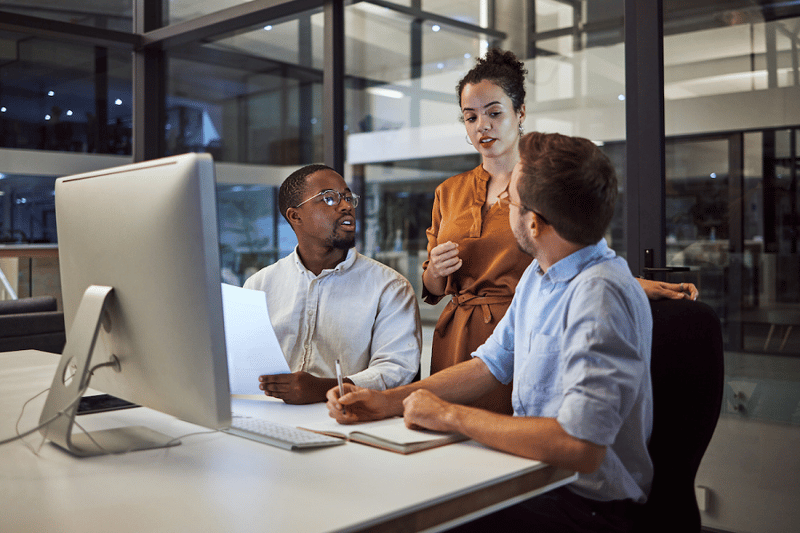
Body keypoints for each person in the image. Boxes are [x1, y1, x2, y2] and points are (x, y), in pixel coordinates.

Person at [328, 132, 653, 532]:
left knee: (413, 516)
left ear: (533, 223)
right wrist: (389, 400)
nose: (503, 205)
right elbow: (490, 364)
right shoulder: (540, 274)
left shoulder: (598, 295)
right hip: (538, 482)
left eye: (510, 203)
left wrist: (448, 415)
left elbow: (580, 447)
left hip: (585, 506)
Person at [422, 49, 696, 414]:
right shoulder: (449, 191)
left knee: (517, 436)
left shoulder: (545, 184)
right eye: (470, 117)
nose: (482, 126)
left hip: (525, 327)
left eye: (494, 113)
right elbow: (432, 288)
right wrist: (434, 273)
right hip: (457, 337)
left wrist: (630, 284)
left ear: (520, 113)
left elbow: (581, 256)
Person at [244, 164, 421, 404]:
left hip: (348, 418)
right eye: (329, 199)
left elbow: (398, 369)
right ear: (295, 216)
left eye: (348, 198)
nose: (346, 206)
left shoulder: (390, 287)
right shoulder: (259, 285)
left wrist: (327, 389)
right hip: (267, 415)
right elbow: (241, 363)